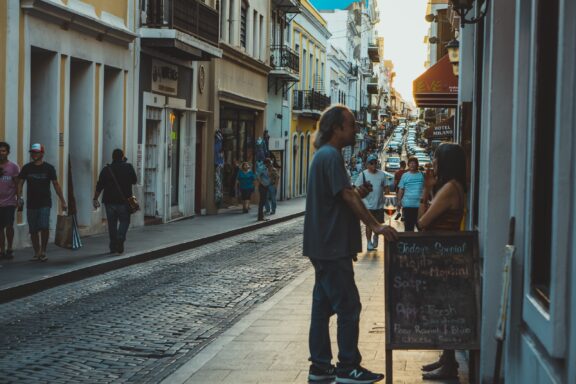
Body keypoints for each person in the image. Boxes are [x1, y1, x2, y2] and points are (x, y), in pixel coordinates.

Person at [303, 105, 398, 384]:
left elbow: (343, 196)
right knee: (349, 306)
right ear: (336, 128)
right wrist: (376, 225)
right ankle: (348, 367)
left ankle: (320, 367)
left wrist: (358, 192)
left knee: (321, 308)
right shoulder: (331, 156)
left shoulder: (324, 156)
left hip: (323, 245)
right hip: (332, 247)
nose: (355, 129)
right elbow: (346, 197)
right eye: (351, 124)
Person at [416, 143, 467, 381]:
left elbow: (422, 222)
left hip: (444, 257)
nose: (432, 163)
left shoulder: (448, 189)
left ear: (446, 163)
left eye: (436, 159)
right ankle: (446, 360)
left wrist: (426, 191)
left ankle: (449, 366)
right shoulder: (452, 187)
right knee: (444, 310)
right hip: (444, 255)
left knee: (446, 311)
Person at [17, 143, 67, 261]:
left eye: (37, 152)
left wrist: (63, 201)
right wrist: (18, 197)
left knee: (44, 226)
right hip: (31, 203)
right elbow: (20, 183)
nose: (34, 154)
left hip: (45, 202)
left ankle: (43, 251)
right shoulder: (27, 168)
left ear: (42, 154)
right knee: (33, 229)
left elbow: (56, 184)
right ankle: (36, 251)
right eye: (33, 152)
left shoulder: (49, 168)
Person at [92, 149, 137, 254]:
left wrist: (95, 198)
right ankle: (120, 238)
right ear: (122, 157)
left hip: (109, 202)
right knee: (124, 221)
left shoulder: (107, 169)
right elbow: (134, 181)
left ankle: (113, 246)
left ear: (112, 157)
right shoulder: (128, 167)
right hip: (124, 201)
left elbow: (99, 186)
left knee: (112, 224)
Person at [354, 153, 394, 251]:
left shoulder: (382, 174)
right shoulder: (363, 174)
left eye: (375, 163)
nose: (373, 165)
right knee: (369, 225)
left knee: (378, 224)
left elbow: (386, 187)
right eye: (371, 163)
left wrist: (387, 198)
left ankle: (375, 237)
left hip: (379, 204)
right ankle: (368, 242)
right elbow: (356, 188)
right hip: (367, 205)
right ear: (367, 165)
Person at [0, 142, 19, 260]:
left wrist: (19, 198)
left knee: (9, 225)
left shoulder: (13, 167)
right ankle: (2, 249)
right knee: (0, 227)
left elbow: (17, 184)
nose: (1, 153)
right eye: (0, 150)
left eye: (3, 151)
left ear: (8, 152)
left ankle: (10, 248)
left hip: (9, 201)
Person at [397, 157, 424, 231]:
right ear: (408, 165)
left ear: (417, 164)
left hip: (420, 206)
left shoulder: (422, 175)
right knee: (409, 228)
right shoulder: (405, 175)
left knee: (421, 227)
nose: (412, 164)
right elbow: (401, 189)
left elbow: (426, 188)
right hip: (407, 205)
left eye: (414, 163)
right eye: (410, 163)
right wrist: (399, 201)